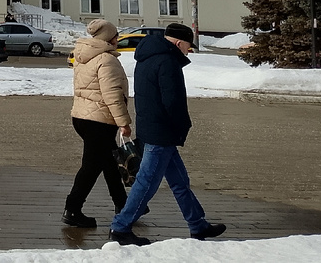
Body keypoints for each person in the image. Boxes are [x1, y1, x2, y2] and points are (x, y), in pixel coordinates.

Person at [108, 23, 226, 247]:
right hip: (161, 133)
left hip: (152, 128)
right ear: (179, 43)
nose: (188, 51)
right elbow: (173, 101)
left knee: (180, 181)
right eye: (188, 47)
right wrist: (183, 125)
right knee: (146, 182)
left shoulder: (146, 57)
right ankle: (120, 226)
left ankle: (197, 224)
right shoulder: (168, 62)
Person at [63, 19, 131, 228]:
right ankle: (72, 209)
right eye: (116, 36)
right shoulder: (106, 60)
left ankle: (123, 205)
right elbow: (112, 95)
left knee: (109, 162)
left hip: (82, 117)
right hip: (99, 120)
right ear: (109, 38)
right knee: (91, 167)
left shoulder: (83, 56)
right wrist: (124, 122)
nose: (118, 39)